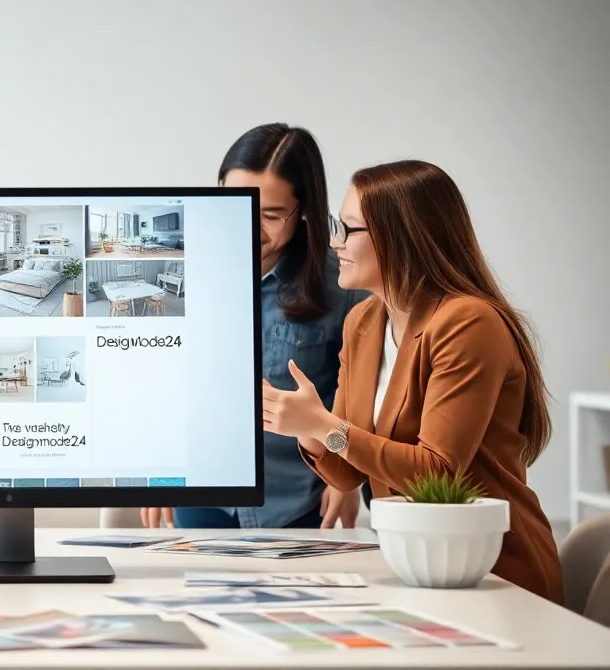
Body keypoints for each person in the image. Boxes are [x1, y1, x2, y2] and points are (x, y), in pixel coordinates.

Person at [263, 159, 562, 602]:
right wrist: (308, 428)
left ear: (398, 238)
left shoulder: (467, 323)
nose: (334, 241)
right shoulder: (364, 321)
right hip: (417, 566)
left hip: (494, 572)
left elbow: (436, 471)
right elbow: (346, 474)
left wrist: (325, 426)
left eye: (348, 229)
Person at [140, 124, 366, 531]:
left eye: (271, 215)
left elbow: (361, 408)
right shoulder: (183, 276)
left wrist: (347, 479)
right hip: (201, 493)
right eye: (235, 202)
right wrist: (158, 465)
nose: (248, 224)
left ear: (304, 211)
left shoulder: (344, 289)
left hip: (299, 504)